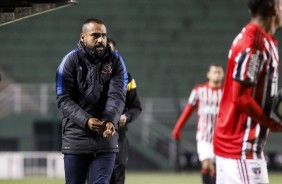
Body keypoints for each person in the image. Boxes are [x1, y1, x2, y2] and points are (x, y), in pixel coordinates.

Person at [213, 0, 282, 183]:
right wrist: (272, 123)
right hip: (241, 149)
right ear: (274, 7)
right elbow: (241, 97)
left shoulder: (257, 39)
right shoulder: (255, 43)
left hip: (236, 149)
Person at [56, 18, 128, 184]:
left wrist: (110, 120)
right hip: (76, 140)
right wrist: (86, 121)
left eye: (103, 35)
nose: (101, 39)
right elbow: (64, 99)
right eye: (95, 35)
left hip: (106, 138)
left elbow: (117, 96)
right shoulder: (69, 61)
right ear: (83, 37)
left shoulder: (116, 62)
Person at [172, 64, 224, 184]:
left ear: (223, 75)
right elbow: (188, 111)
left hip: (221, 137)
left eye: (219, 72)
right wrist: (177, 128)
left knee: (217, 168)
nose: (217, 74)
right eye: (214, 72)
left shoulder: (226, 92)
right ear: (208, 74)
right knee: (207, 164)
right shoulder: (199, 91)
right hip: (204, 136)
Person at [107, 37, 142, 184]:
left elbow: (136, 107)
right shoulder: (89, 77)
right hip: (94, 136)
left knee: (118, 173)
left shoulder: (127, 78)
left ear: (116, 53)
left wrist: (126, 117)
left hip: (118, 135)